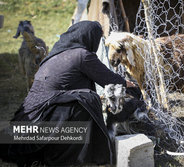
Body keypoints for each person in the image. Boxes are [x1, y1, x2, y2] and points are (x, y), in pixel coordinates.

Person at [0, 21, 135, 167]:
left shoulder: (53, 56)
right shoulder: (82, 55)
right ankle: (63, 158)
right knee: (86, 100)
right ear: (90, 37)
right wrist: (134, 85)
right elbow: (110, 79)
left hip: (27, 121)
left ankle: (47, 155)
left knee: (80, 98)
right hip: (43, 120)